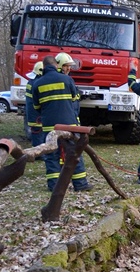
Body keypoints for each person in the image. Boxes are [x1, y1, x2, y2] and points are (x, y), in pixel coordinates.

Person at [32, 56, 92, 192]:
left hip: (49, 126)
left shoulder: (38, 83)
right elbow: (73, 98)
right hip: (69, 125)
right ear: (56, 65)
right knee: (74, 152)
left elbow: (36, 107)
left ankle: (54, 185)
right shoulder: (67, 79)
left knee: (52, 155)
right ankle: (80, 184)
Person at [25, 61, 44, 148]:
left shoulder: (31, 81)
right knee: (38, 135)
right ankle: (39, 154)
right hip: (37, 115)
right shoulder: (37, 83)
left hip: (32, 114)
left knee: (37, 134)